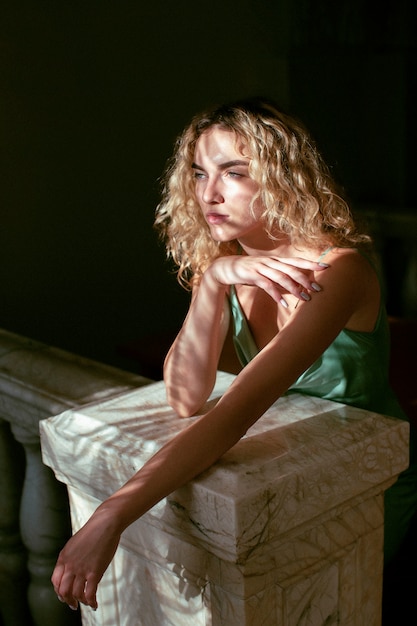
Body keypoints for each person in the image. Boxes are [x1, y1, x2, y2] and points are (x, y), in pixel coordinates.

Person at [52, 97, 417, 612]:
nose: (209, 193)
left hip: (364, 475)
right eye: (199, 174)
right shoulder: (225, 264)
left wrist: (114, 511)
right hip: (288, 470)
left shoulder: (337, 270)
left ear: (283, 178)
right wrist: (213, 283)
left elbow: (234, 413)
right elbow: (184, 397)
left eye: (234, 172)